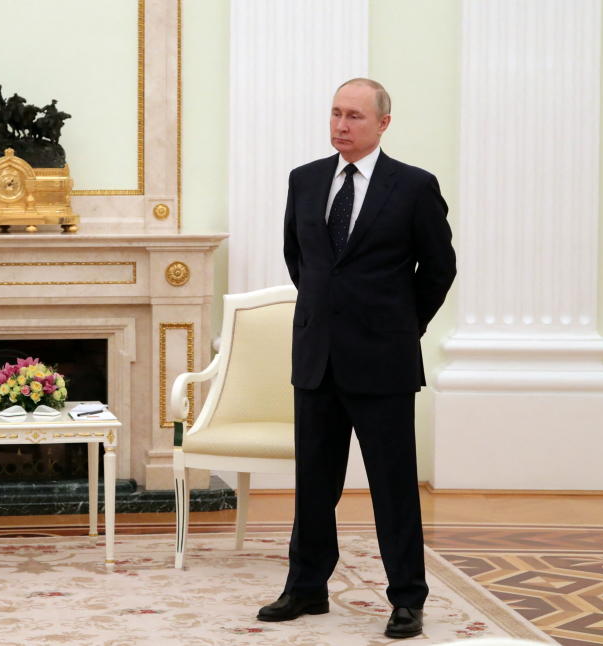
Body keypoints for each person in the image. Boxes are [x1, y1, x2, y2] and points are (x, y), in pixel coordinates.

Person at [258, 78, 456, 639]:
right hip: (317, 356)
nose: (341, 125)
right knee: (314, 482)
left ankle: (407, 599)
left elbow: (438, 269)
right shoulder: (305, 180)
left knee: (393, 485)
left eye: (354, 117)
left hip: (383, 362)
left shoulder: (414, 187)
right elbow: (299, 259)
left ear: (383, 124)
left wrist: (399, 326)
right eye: (335, 114)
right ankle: (305, 587)